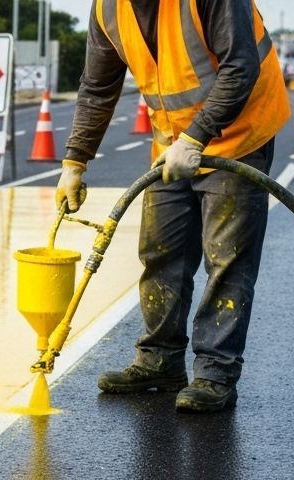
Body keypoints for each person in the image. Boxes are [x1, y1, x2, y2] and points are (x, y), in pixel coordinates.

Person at [56, 0, 290, 412]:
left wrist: (198, 137)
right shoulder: (109, 9)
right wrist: (75, 162)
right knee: (161, 250)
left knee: (227, 258)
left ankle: (215, 373)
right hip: (174, 143)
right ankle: (159, 360)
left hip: (241, 133)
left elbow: (241, 66)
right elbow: (97, 86)